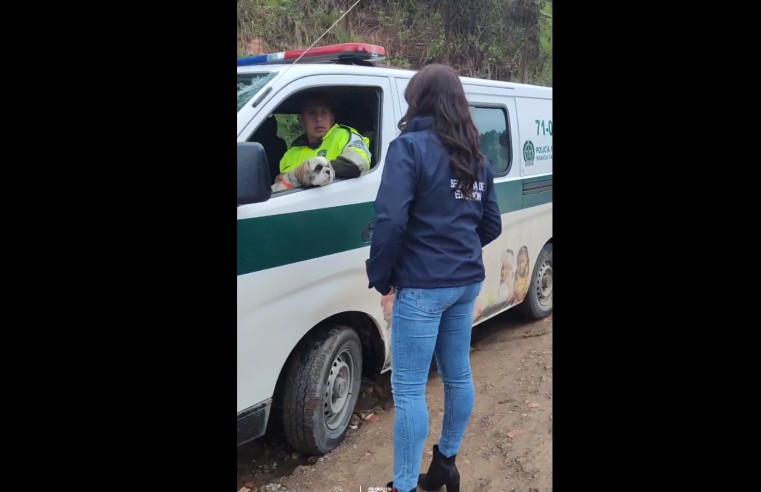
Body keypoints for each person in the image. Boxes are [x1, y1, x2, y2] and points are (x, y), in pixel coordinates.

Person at [366, 64, 502, 492]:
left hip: (423, 287)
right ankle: (445, 464)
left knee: (408, 391)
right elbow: (491, 225)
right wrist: (458, 251)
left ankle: (404, 486)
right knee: (458, 376)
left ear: (419, 101)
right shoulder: (476, 157)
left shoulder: (409, 148)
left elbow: (390, 221)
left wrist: (383, 278)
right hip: (464, 285)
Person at [278, 94, 371, 182]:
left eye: (324, 113)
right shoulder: (290, 154)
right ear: (302, 121)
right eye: (312, 113)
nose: (319, 119)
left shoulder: (345, 136)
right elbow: (284, 184)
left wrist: (307, 174)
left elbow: (358, 163)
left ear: (332, 118)